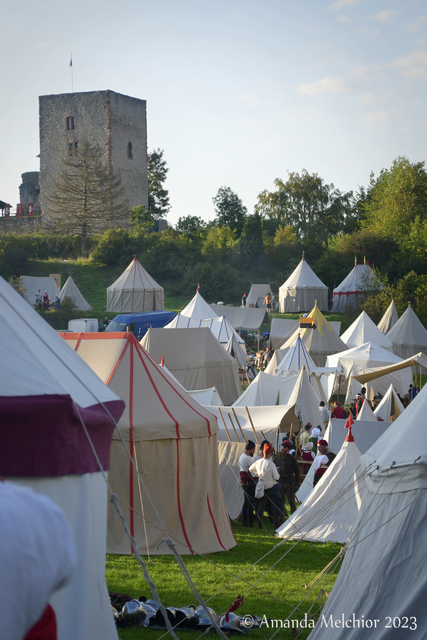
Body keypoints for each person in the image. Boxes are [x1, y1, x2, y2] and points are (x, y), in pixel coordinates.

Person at [249, 444, 283, 529]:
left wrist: (255, 474)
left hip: (261, 486)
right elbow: (276, 477)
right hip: (270, 486)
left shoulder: (258, 462)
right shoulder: (271, 464)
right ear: (270, 453)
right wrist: (277, 472)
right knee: (273, 505)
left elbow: (250, 469)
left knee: (261, 505)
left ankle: (259, 523)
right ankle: (277, 523)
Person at [273, 440, 300, 518]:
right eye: (282, 450)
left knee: (291, 501)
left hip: (289, 482)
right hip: (279, 482)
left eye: (285, 451)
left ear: (288, 450)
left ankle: (294, 517)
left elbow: (297, 471)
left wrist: (297, 483)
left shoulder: (292, 458)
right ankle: (282, 516)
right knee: (281, 501)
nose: (282, 452)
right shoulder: (276, 458)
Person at [239, 440, 257, 527]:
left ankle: (245, 522)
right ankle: (250, 522)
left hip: (245, 483)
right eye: (254, 449)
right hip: (248, 483)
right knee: (250, 503)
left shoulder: (242, 456)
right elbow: (254, 469)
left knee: (246, 503)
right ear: (252, 449)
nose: (254, 451)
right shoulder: (247, 458)